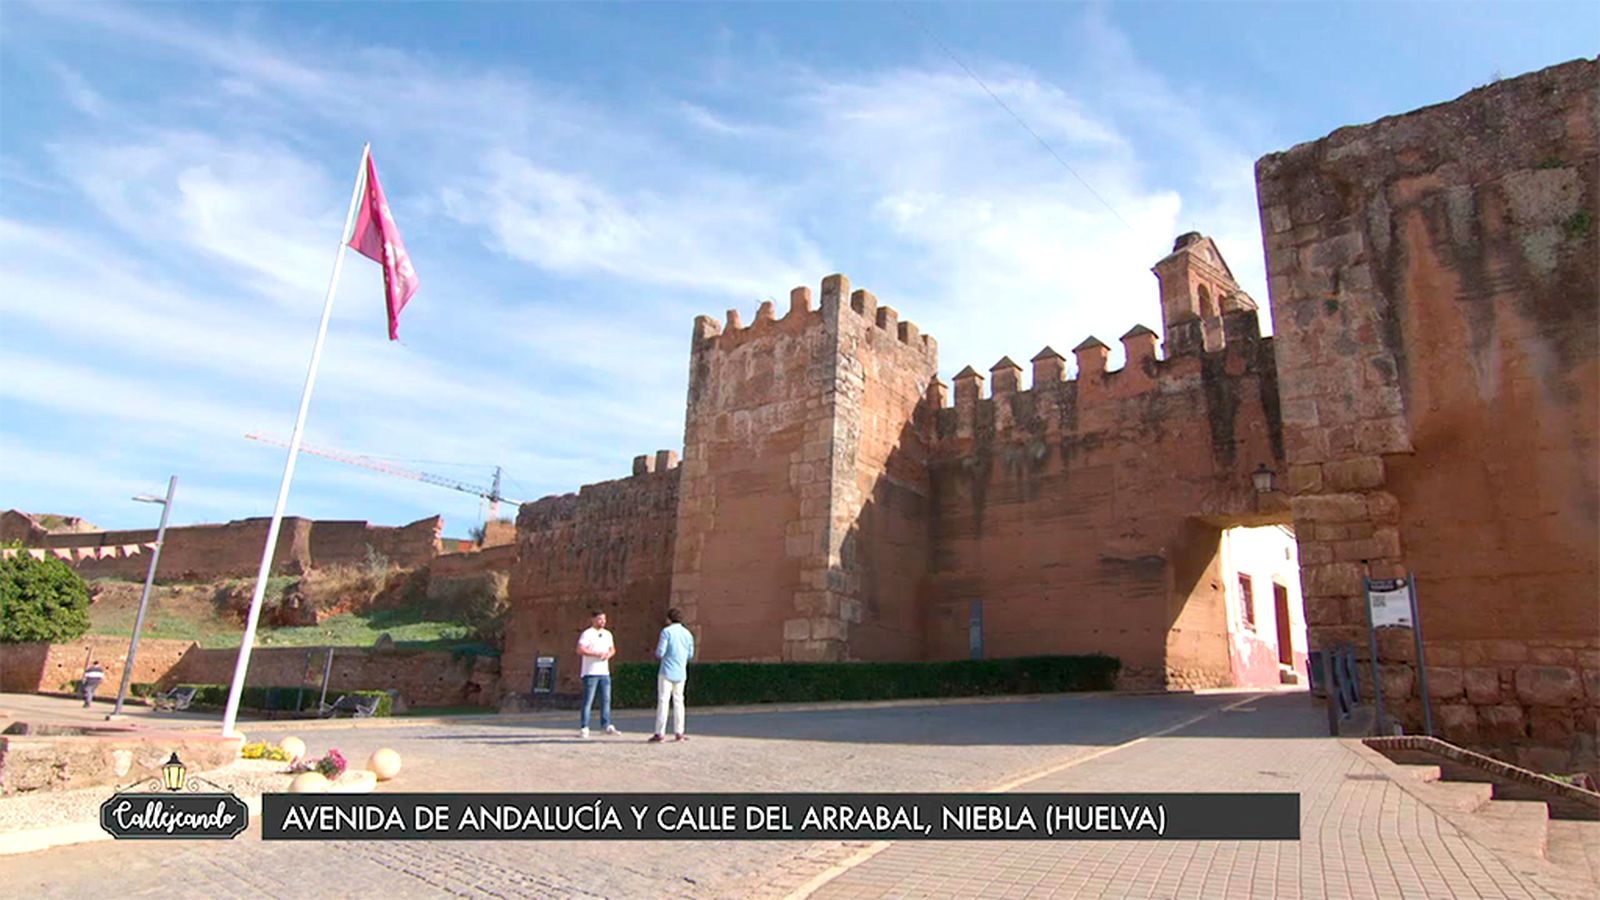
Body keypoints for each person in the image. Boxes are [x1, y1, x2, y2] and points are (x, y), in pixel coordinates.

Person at [649, 608, 695, 743]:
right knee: (679, 701)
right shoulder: (687, 634)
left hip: (666, 670)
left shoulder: (666, 632)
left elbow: (660, 652)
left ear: (669, 619)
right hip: (681, 671)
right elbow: (690, 654)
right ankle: (679, 732)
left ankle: (660, 733)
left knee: (663, 701)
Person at [576, 609, 619, 738]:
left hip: (604, 672)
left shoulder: (607, 634)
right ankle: (584, 727)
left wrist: (608, 654)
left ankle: (606, 725)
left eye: (604, 619)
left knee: (606, 700)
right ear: (593, 619)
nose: (602, 622)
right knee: (588, 700)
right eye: (600, 619)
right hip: (590, 672)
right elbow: (580, 649)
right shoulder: (587, 633)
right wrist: (596, 654)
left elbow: (612, 649)